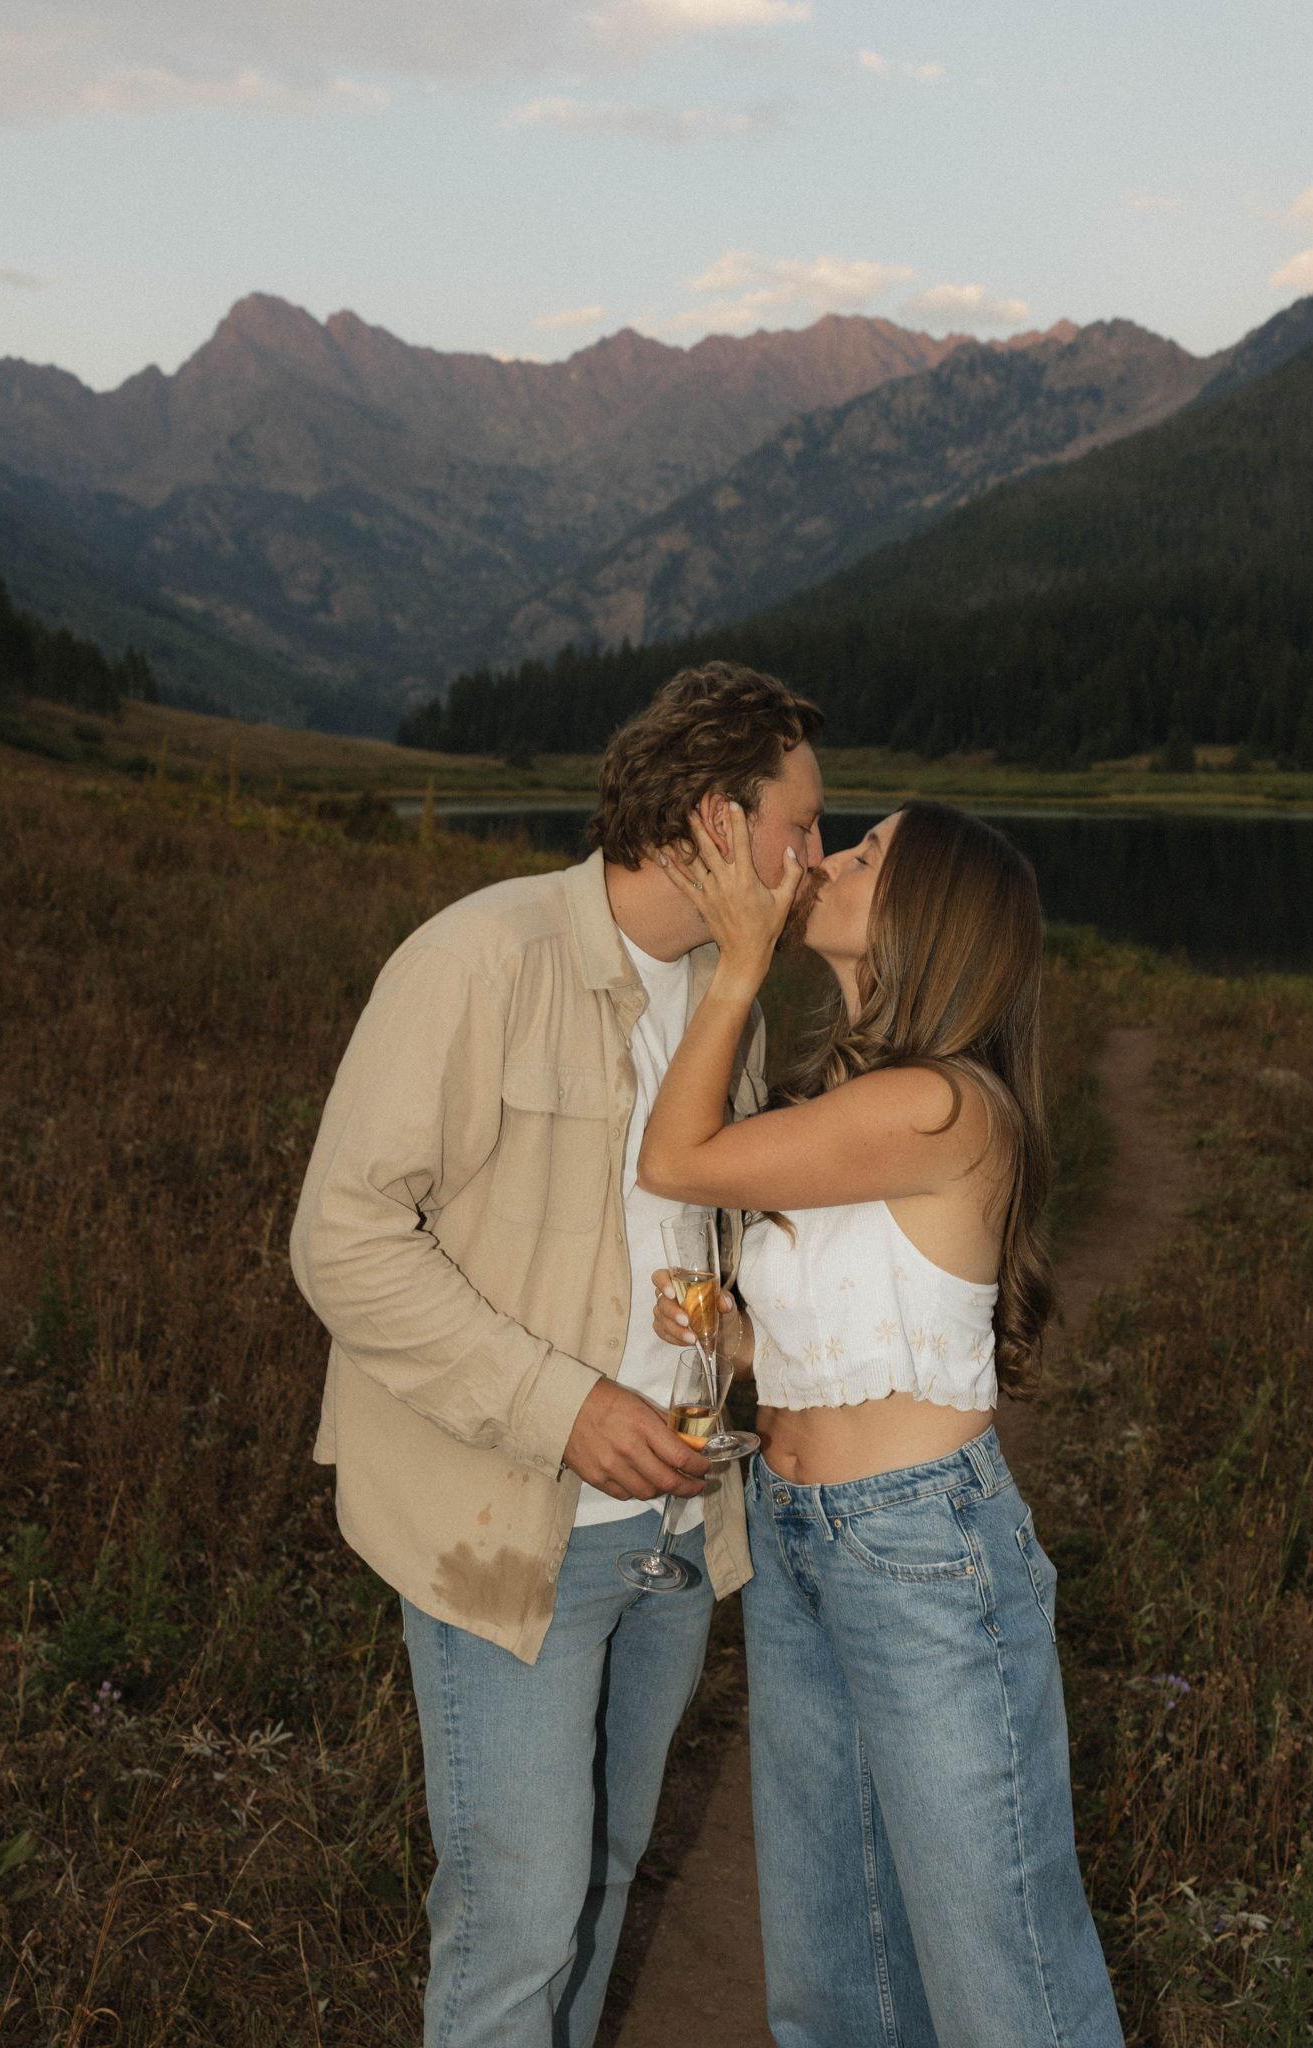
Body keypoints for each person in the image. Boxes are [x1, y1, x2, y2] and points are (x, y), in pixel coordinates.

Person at [288, 662, 825, 2047]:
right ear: (716, 822)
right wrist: (561, 1402)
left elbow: (682, 1232)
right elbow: (340, 1242)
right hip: (510, 1534)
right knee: (517, 1926)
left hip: (674, 1527)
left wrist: (722, 1334)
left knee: (598, 1882)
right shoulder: (481, 958)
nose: (815, 858)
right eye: (799, 826)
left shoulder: (726, 994)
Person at [639, 799, 1121, 2048]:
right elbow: (819, 1349)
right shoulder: (847, 1098)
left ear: (926, 919)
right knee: (831, 1973)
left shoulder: (942, 1107)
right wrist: (725, 1337)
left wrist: (738, 960)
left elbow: (676, 1156)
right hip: (799, 1539)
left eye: (863, 855)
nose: (826, 858)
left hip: (918, 1553)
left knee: (1003, 1982)